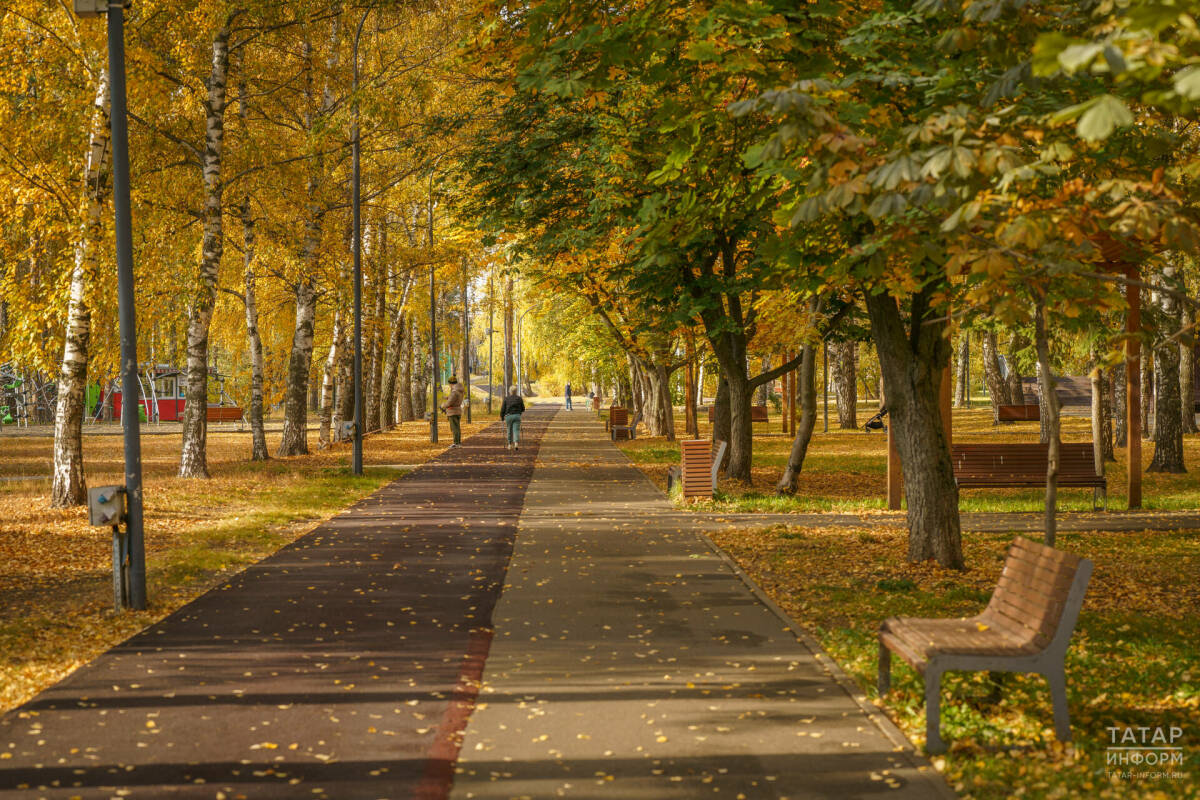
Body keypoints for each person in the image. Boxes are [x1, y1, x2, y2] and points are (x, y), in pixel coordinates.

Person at [500, 384, 525, 451]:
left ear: (509, 391)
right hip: (517, 416)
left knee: (509, 430)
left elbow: (503, 409)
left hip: (509, 416)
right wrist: (519, 411)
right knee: (516, 430)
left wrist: (502, 417)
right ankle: (516, 443)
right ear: (516, 391)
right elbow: (523, 408)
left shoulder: (506, 399)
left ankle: (509, 445)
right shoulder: (519, 398)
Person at [441, 376, 464, 446]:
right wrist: (447, 397)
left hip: (452, 411)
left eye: (449, 384)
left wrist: (442, 406)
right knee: (457, 427)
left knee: (454, 428)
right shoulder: (459, 390)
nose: (449, 386)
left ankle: (456, 443)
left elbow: (449, 402)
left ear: (451, 384)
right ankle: (458, 442)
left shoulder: (454, 392)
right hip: (458, 411)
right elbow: (455, 399)